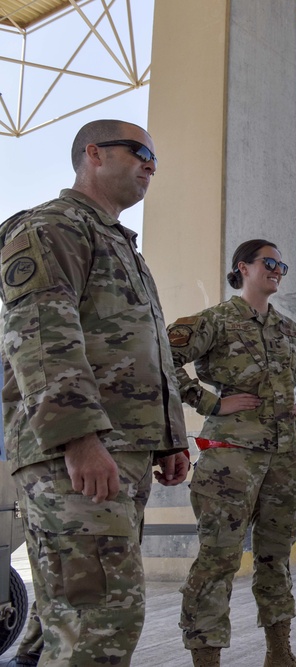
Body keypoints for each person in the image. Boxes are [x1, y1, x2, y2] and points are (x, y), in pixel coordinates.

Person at [0, 119, 190, 665]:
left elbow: (145, 353)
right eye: (140, 152)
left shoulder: (121, 245)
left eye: (155, 157)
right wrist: (80, 439)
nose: (151, 164)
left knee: (84, 617)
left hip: (119, 454)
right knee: (98, 625)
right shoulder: (51, 228)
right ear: (94, 155)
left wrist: (170, 439)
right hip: (75, 458)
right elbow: (40, 338)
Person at [168, 239, 296, 667]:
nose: (277, 270)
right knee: (218, 560)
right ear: (244, 267)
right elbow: (162, 356)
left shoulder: (288, 330)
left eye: (282, 265)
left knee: (276, 558)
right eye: (269, 262)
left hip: (285, 458)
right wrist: (209, 403)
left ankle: (279, 652)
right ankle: (207, 660)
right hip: (230, 459)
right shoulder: (215, 321)